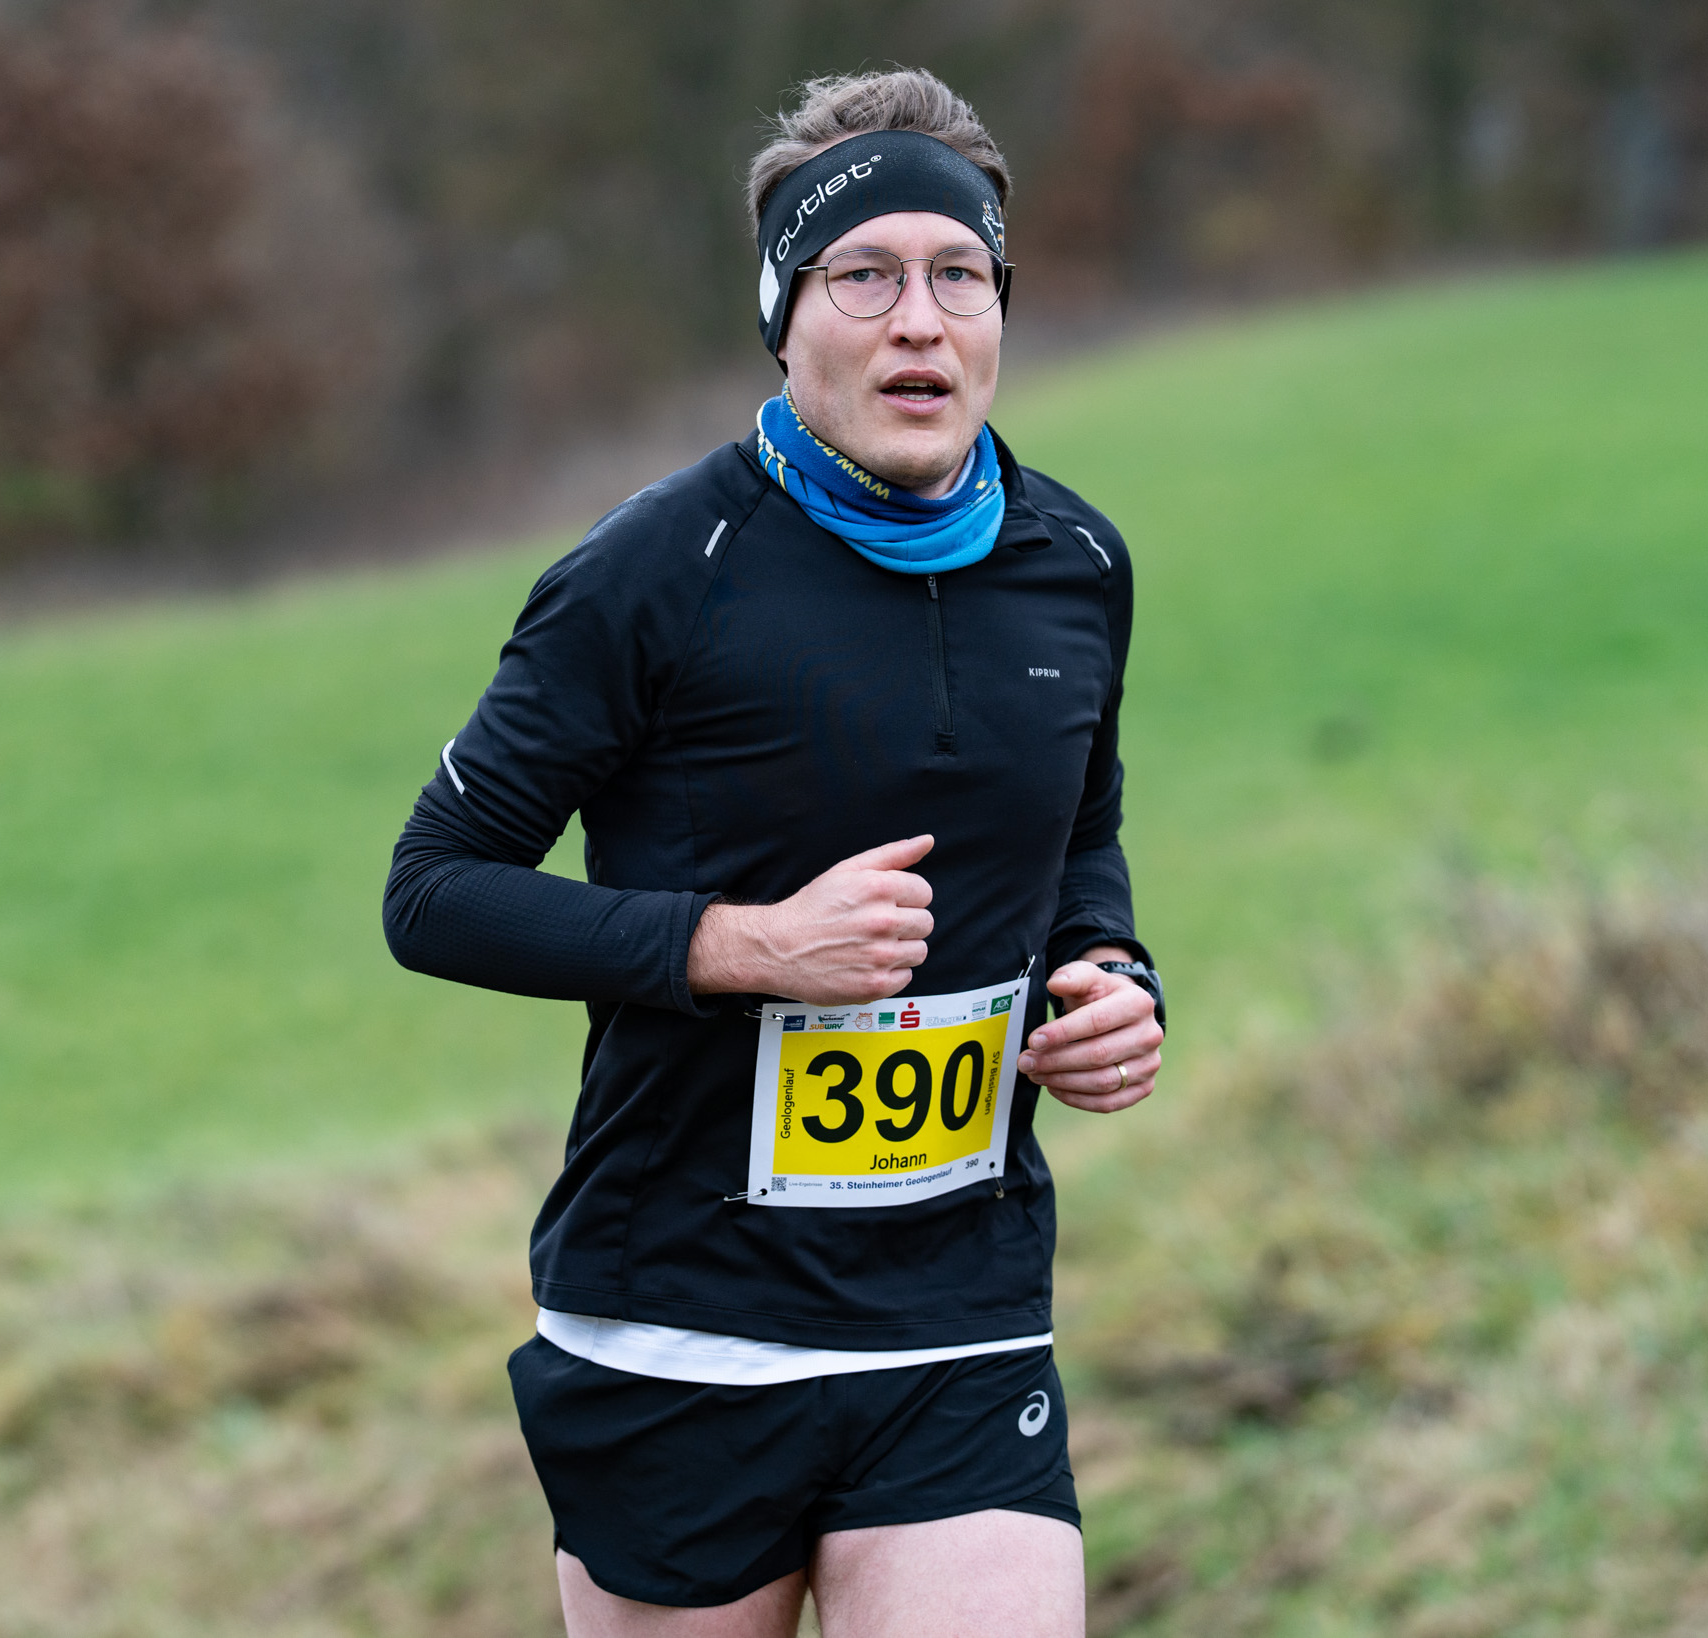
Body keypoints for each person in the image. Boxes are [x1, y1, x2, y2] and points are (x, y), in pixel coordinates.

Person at [383, 66, 1163, 1638]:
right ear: (783, 316)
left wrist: (1110, 973)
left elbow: (1079, 830)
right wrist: (742, 946)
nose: (919, 321)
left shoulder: (1076, 563)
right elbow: (436, 891)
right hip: (685, 1321)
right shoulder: (654, 572)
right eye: (864, 276)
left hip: (958, 1311)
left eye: (960, 276)